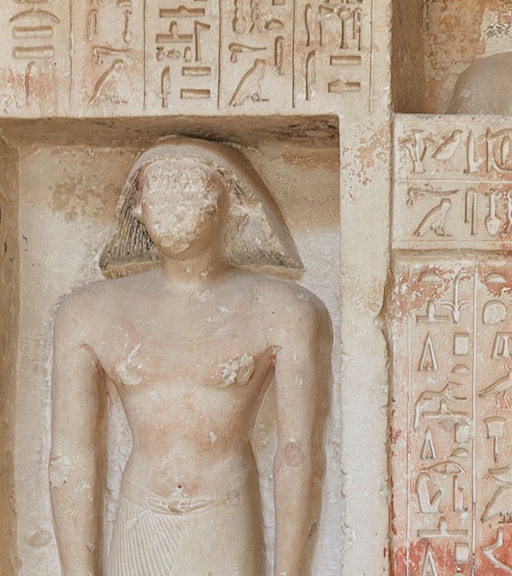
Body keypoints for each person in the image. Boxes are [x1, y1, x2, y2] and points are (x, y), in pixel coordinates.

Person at [50, 137, 331, 576]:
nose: (173, 200)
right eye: (158, 187)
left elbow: (297, 457)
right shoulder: (87, 313)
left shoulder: (283, 310)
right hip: (140, 516)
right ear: (137, 207)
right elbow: (72, 460)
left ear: (231, 199)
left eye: (189, 184)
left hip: (224, 514)